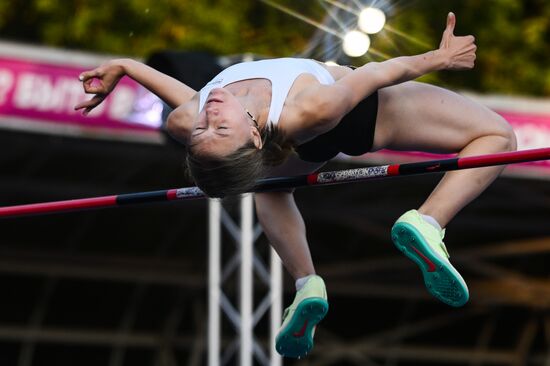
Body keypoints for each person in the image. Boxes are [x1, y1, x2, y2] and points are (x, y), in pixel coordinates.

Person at [75, 12, 516, 359]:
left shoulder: (188, 119)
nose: (209, 115)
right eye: (219, 128)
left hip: (291, 143)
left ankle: (307, 284)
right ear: (249, 135)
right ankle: (428, 222)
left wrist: (128, 66)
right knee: (497, 137)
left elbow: (185, 101)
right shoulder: (310, 109)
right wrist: (440, 59)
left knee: (270, 187)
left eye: (202, 129)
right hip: (354, 113)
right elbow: (379, 74)